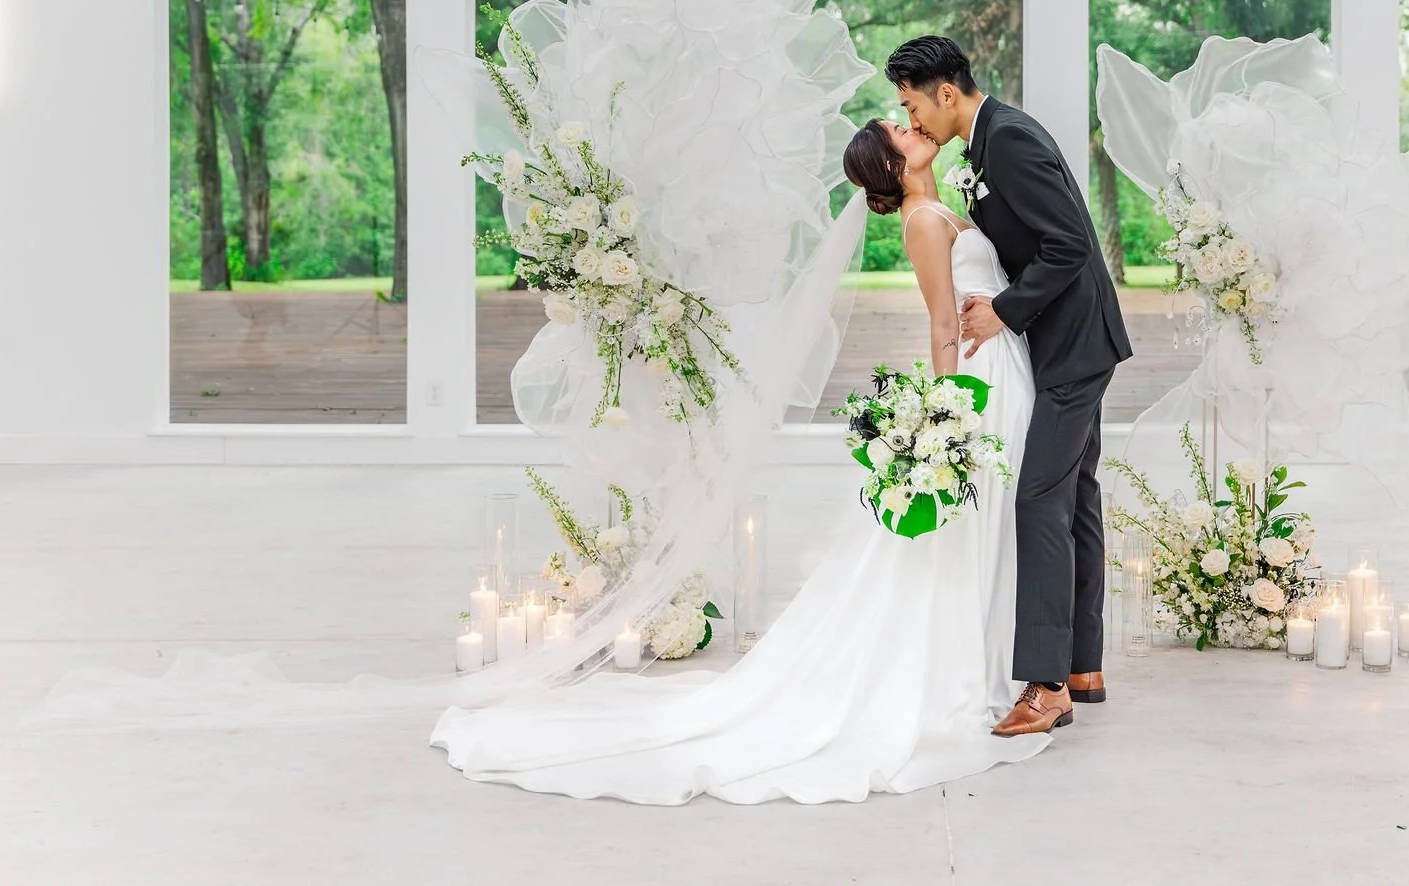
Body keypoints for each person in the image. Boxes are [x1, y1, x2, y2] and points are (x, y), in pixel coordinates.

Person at [426, 118, 1049, 802]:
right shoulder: (925, 221)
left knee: (983, 527)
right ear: (894, 166)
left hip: (1000, 369)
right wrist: (947, 406)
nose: (911, 125)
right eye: (898, 131)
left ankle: (982, 660)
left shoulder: (942, 207)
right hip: (976, 382)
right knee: (966, 527)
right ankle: (962, 671)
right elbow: (940, 321)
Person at [884, 35, 1132, 737]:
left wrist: (1003, 310)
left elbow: (1071, 245)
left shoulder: (1011, 139)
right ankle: (1083, 663)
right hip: (1065, 345)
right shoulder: (986, 146)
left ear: (945, 92)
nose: (914, 120)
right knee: (1076, 495)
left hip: (1074, 343)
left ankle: (1046, 686)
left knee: (1037, 499)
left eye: (912, 104)